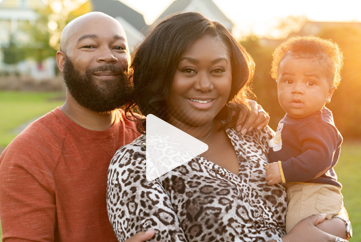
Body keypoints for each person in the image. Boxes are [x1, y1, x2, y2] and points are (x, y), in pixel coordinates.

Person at [0, 12, 268, 242]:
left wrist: (235, 108)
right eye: (89, 46)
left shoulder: (150, 131)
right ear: (62, 61)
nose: (107, 56)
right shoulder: (28, 154)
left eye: (118, 47)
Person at [106, 12, 347, 242]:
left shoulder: (253, 131)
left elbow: (320, 191)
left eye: (218, 71)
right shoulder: (136, 163)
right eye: (188, 70)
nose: (204, 84)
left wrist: (340, 226)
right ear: (160, 75)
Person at [265, 36, 351, 239]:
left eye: (310, 83)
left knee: (301, 235)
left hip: (314, 192)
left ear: (329, 93)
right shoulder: (294, 119)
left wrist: (283, 170)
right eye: (288, 80)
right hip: (302, 191)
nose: (297, 88)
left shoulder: (317, 123)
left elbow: (319, 159)